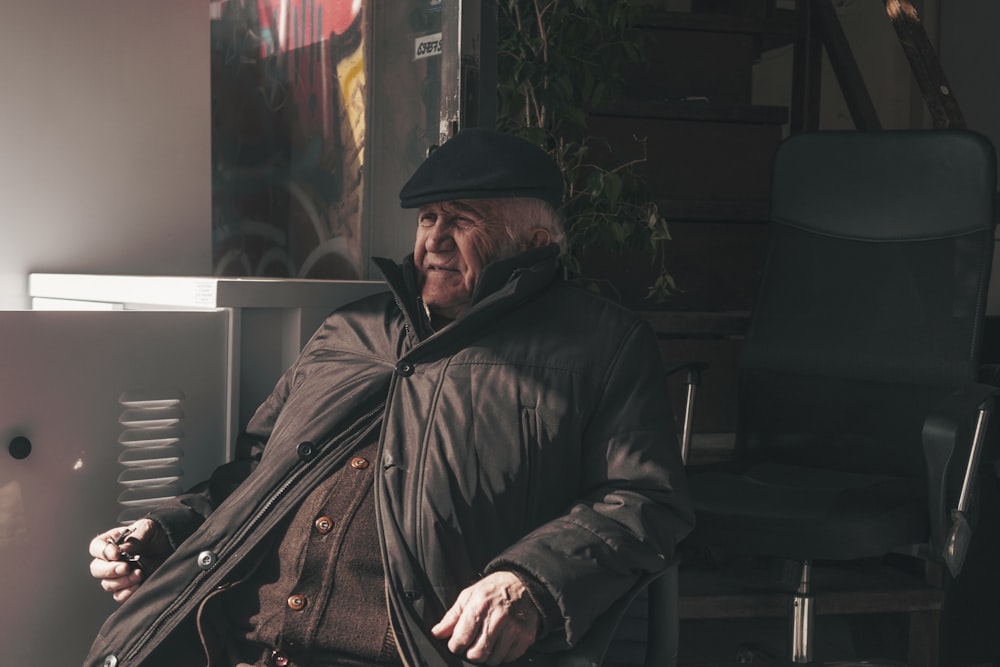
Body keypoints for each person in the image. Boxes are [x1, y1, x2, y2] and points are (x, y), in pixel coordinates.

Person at [85, 128, 694, 667]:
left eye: (463, 220)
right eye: (428, 219)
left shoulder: (600, 345)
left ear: (534, 240)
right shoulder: (350, 330)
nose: (435, 240)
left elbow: (643, 501)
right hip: (237, 643)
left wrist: (529, 580)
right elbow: (252, 472)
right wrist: (162, 529)